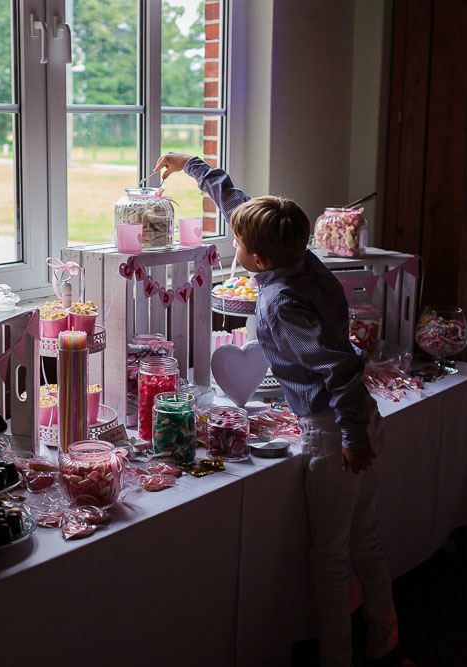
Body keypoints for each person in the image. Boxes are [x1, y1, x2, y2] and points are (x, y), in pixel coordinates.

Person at [154, 152, 410, 667]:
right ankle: (386, 641)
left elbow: (338, 369)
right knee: (369, 540)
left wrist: (353, 438)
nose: (234, 244)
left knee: (332, 556)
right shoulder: (301, 255)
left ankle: (338, 658)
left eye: (239, 243)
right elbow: (241, 206)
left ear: (258, 261)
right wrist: (193, 166)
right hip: (362, 422)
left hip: (335, 431)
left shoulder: (280, 303)